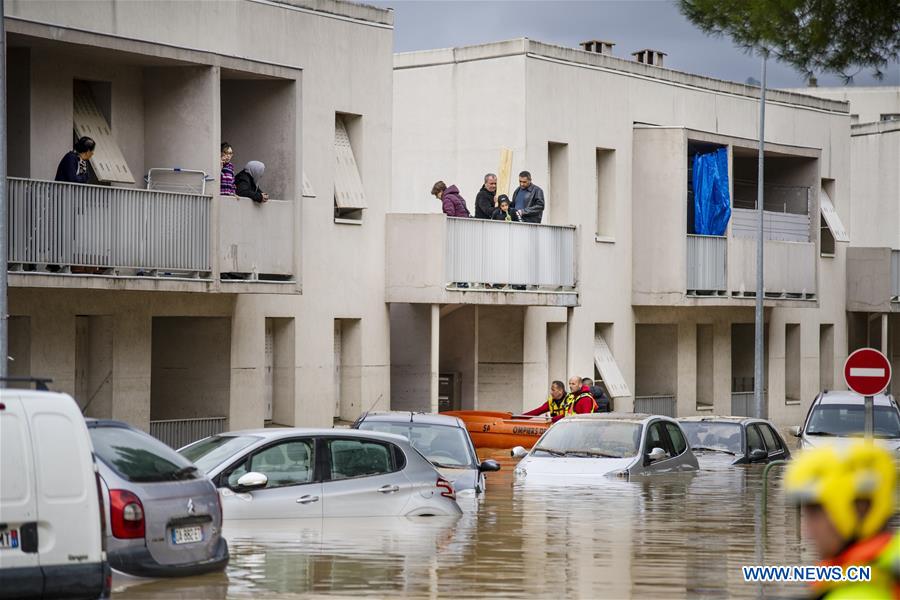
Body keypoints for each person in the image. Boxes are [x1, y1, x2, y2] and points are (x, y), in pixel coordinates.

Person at [784, 443, 899, 599]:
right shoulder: (883, 570)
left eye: (815, 514)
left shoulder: (860, 592)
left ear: (860, 508)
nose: (807, 531)